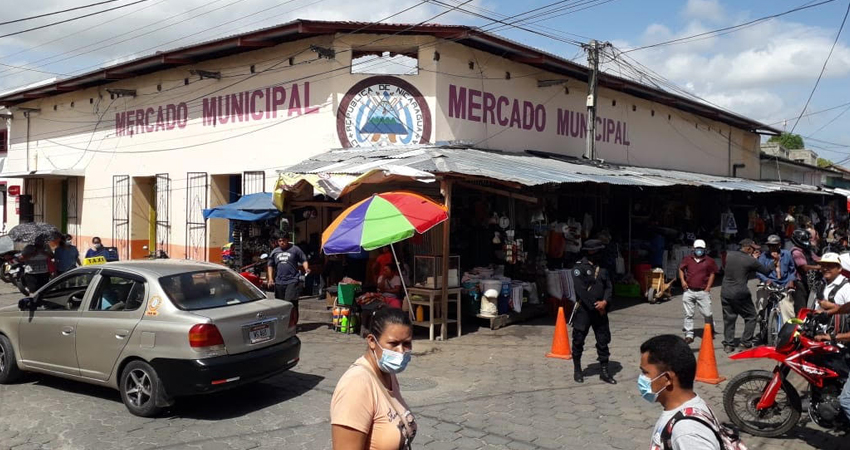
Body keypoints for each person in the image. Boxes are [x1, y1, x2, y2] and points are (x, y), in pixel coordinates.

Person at [331, 307, 417, 450]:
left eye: (406, 343)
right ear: (371, 341)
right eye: (393, 344)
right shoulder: (356, 384)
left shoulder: (388, 374)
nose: (401, 351)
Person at [641, 335, 722, 450]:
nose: (641, 378)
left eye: (645, 372)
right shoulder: (688, 406)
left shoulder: (687, 432)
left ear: (667, 379)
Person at [571, 239, 616, 384]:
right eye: (597, 251)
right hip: (584, 311)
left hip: (601, 311)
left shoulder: (603, 268)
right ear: (590, 252)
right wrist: (595, 305)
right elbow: (581, 291)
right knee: (578, 341)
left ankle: (604, 371)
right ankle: (578, 370)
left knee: (603, 341)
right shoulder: (579, 268)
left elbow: (609, 286)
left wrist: (605, 302)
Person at [720, 239, 773, 353]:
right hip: (740, 292)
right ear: (748, 248)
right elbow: (766, 271)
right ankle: (745, 342)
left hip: (725, 291)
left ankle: (728, 344)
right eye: (754, 249)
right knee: (751, 316)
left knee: (729, 318)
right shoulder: (750, 260)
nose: (756, 251)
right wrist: (775, 261)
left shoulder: (730, 255)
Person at [677, 239, 717, 344]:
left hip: (703, 291)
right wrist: (682, 281)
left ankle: (710, 329)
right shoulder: (687, 259)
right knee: (688, 314)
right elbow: (681, 269)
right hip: (689, 290)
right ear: (693, 249)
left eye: (701, 249)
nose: (699, 251)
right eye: (697, 249)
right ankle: (689, 334)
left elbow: (713, 273)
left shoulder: (709, 261)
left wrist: (708, 287)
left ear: (704, 249)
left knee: (707, 313)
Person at [267, 233, 310, 322]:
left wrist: (306, 268)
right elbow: (270, 265)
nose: (282, 242)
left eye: (283, 240)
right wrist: (270, 278)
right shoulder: (275, 251)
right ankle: (283, 323)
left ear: (287, 240)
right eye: (280, 241)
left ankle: (293, 323)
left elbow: (303, 259)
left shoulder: (295, 249)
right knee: (280, 304)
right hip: (279, 282)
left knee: (290, 302)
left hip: (292, 280)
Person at [790, 229, 821, 314]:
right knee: (801, 308)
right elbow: (804, 267)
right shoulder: (796, 252)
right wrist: (818, 267)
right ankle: (799, 326)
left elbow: (817, 259)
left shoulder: (807, 250)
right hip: (799, 283)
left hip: (808, 281)